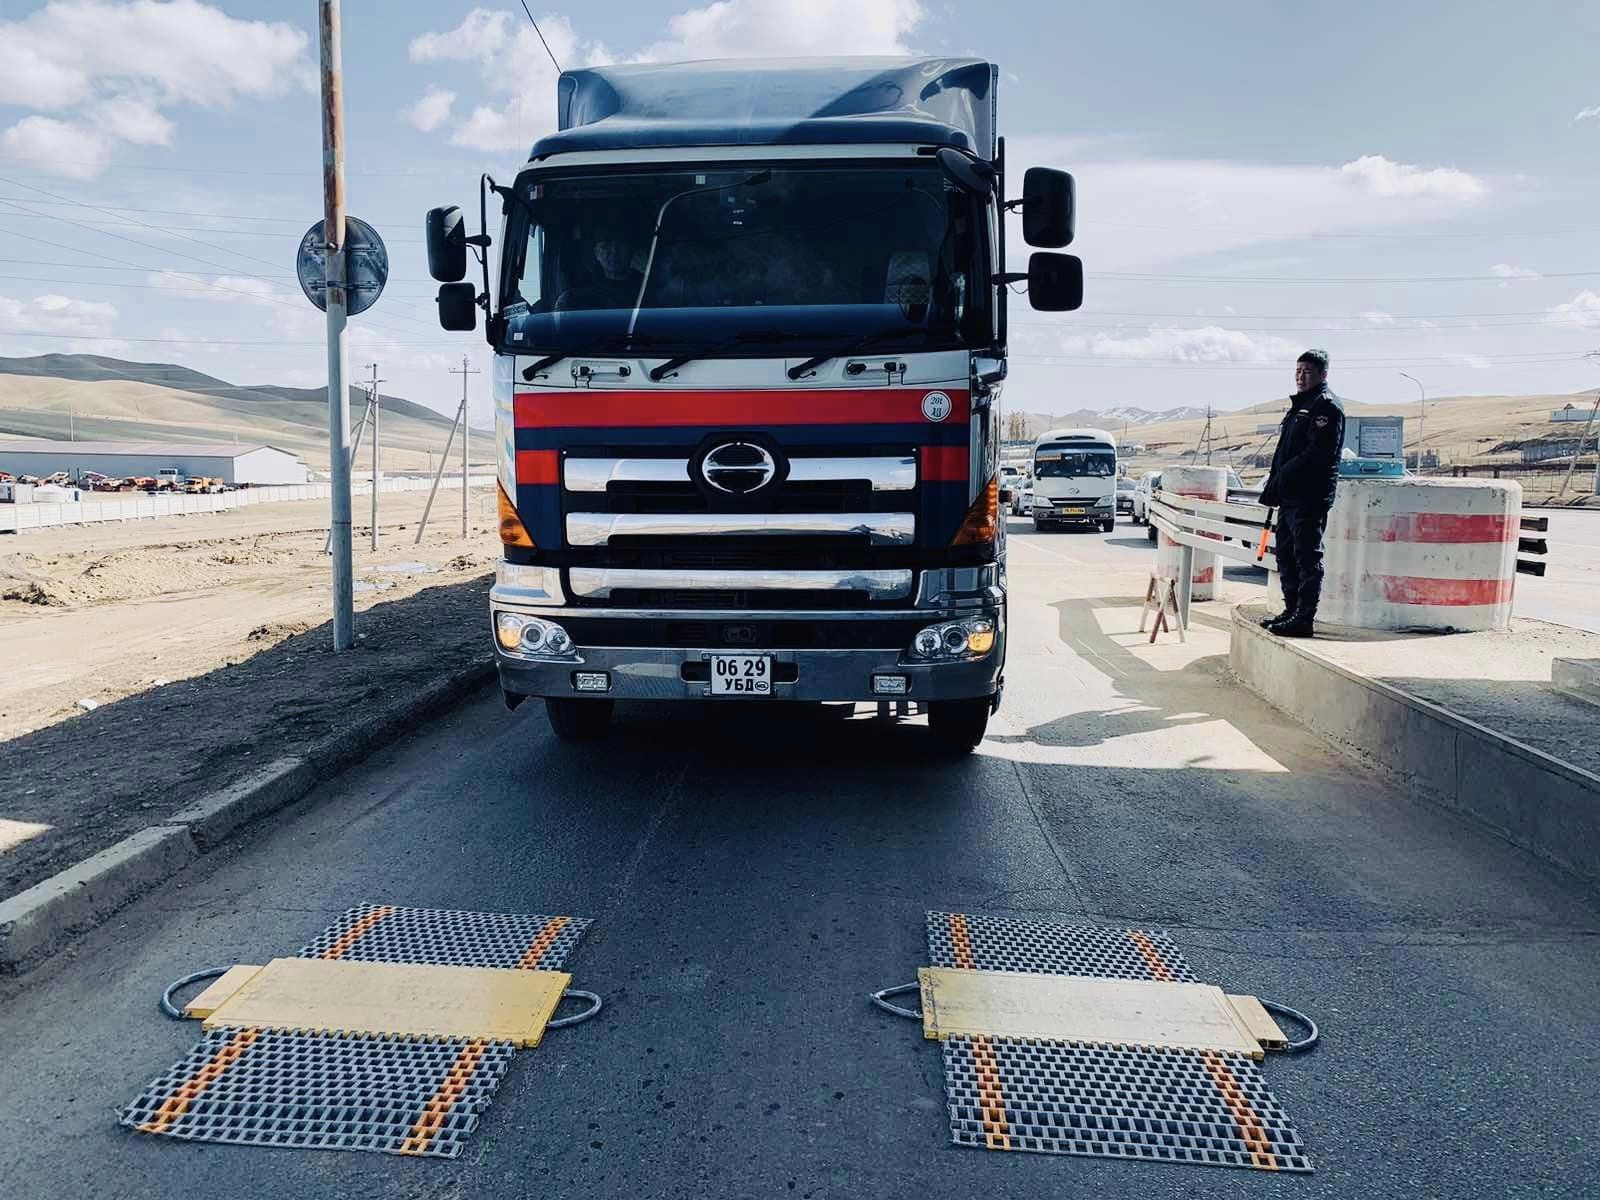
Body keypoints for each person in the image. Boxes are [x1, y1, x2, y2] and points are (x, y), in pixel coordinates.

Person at [1258, 349, 1345, 638]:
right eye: (1297, 371)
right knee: (1285, 555)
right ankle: (1291, 610)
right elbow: (1285, 451)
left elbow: (1317, 454)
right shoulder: (1300, 405)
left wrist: (1283, 476)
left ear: (1323, 374)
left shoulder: (1325, 407)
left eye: (1307, 371)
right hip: (1289, 497)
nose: (1300, 376)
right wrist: (1275, 483)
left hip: (1309, 496)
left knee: (1307, 557)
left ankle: (1304, 618)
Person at [555, 235, 644, 310]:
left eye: (620, 244)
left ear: (630, 250)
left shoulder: (646, 286)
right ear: (596, 253)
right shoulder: (580, 291)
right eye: (606, 246)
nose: (614, 251)